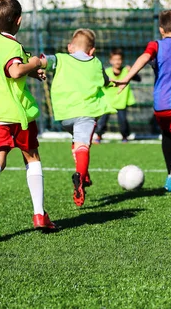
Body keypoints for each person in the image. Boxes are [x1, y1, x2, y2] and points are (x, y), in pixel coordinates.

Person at [0, 0, 56, 235]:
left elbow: (6, 68)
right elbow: (15, 69)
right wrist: (36, 62)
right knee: (32, 158)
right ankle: (39, 214)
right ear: (18, 21)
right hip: (19, 114)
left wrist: (31, 70)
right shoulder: (13, 46)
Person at [114, 10, 171, 192]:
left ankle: (170, 174)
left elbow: (145, 57)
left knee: (166, 136)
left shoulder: (156, 45)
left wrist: (127, 77)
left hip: (162, 103)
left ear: (162, 29)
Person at [43, 29, 116, 207]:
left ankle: (85, 174)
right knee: (83, 145)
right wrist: (113, 82)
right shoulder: (96, 62)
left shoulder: (60, 58)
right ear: (92, 51)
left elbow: (43, 61)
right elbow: (105, 80)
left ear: (70, 47)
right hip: (86, 113)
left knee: (77, 142)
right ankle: (80, 177)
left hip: (64, 115)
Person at [94, 48, 141, 144]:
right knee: (102, 121)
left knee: (123, 121)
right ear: (111, 60)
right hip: (107, 101)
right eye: (115, 59)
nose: (117, 62)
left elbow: (138, 79)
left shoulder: (127, 71)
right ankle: (98, 136)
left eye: (119, 59)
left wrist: (132, 71)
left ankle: (125, 137)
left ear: (122, 60)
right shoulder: (106, 72)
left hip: (121, 101)